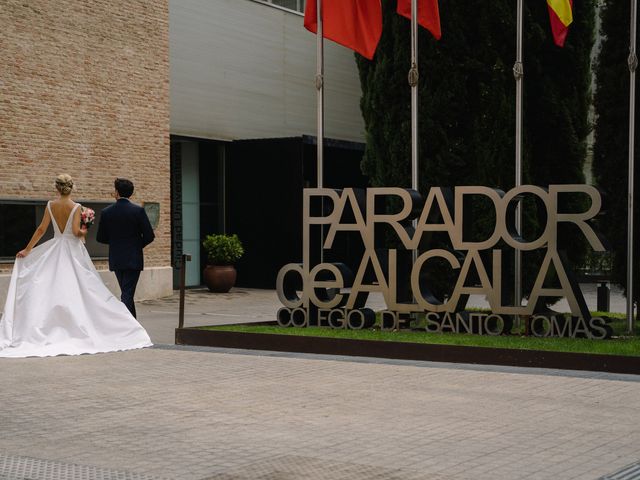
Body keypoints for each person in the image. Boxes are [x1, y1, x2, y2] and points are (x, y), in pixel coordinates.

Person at [0, 174, 152, 358]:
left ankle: (54, 324)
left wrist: (27, 249)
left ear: (57, 188)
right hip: (72, 252)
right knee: (83, 289)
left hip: (55, 248)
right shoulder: (76, 207)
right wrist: (85, 227)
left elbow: (41, 229)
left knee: (51, 287)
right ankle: (111, 323)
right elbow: (75, 232)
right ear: (71, 188)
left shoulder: (50, 205)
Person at [96, 178, 155, 318]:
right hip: (134, 258)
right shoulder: (138, 211)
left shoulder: (106, 212)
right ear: (131, 194)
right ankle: (127, 325)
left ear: (117, 192)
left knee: (126, 292)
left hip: (116, 258)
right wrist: (136, 245)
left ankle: (131, 324)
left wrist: (116, 243)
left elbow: (100, 238)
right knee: (127, 293)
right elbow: (149, 236)